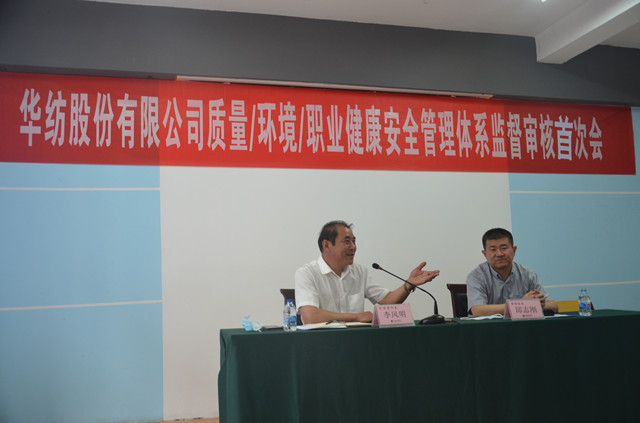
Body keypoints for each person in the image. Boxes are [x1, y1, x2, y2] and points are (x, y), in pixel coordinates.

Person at [295, 220, 440, 324]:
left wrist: (408, 284)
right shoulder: (307, 273)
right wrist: (357, 317)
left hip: (357, 340)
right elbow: (310, 316)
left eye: (354, 241)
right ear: (326, 245)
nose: (353, 247)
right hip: (321, 343)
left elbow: (387, 301)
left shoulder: (359, 272)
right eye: (347, 242)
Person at [466, 227, 558, 316]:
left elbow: (554, 306)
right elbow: (477, 311)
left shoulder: (527, 274)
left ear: (514, 250)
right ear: (485, 254)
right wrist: (521, 304)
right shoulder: (476, 276)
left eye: (504, 248)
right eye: (493, 250)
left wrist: (540, 303)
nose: (499, 254)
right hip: (490, 326)